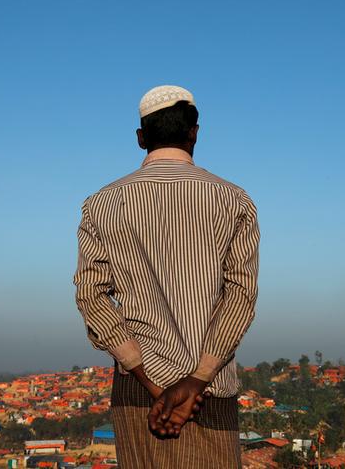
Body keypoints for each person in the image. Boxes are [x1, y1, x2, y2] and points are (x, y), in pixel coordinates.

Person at [74, 85, 259, 468]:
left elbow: (91, 296)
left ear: (141, 138)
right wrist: (197, 380)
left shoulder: (102, 204)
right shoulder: (233, 200)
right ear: (194, 132)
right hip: (209, 393)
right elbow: (240, 296)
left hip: (138, 393)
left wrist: (149, 380)